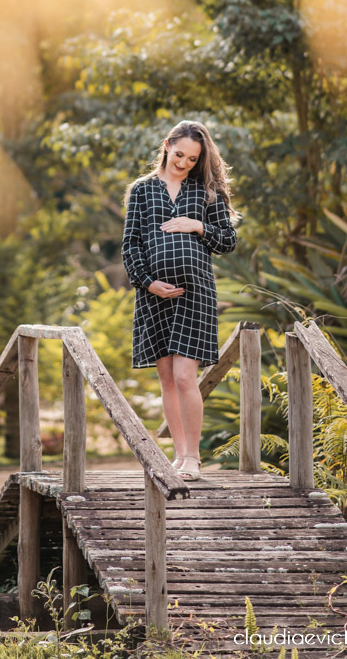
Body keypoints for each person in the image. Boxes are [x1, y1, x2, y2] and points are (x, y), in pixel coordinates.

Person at [122, 120, 238, 480]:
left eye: (192, 159)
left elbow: (228, 241)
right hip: (153, 294)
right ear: (168, 144)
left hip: (195, 292)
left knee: (186, 375)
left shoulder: (207, 192)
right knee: (168, 379)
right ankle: (177, 455)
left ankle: (193, 457)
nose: (184, 163)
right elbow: (131, 245)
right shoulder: (141, 190)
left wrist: (197, 225)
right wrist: (148, 282)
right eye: (179, 154)